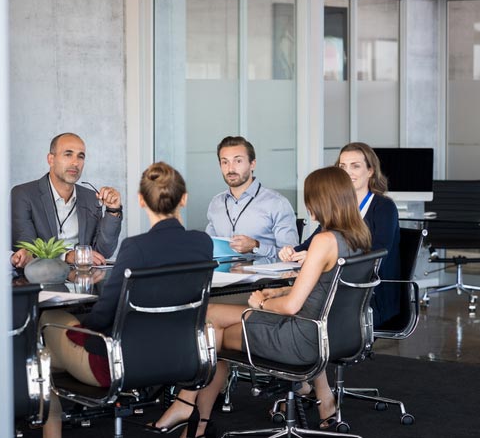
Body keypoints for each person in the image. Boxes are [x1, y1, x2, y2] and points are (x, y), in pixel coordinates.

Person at [153, 166, 372, 437]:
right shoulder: (359, 237)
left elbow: (292, 307)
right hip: (331, 335)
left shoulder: (324, 240)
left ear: (324, 199)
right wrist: (277, 293)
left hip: (299, 338)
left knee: (210, 330)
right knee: (209, 321)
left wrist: (262, 303)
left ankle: (190, 413)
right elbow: (323, 290)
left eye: (310, 198)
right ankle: (192, 416)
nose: (307, 206)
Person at [40, 161, 213, 438]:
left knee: (48, 329)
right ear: (184, 199)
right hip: (182, 359)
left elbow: (103, 318)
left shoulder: (135, 249)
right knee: (58, 354)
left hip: (123, 365)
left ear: (141, 201)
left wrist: (80, 328)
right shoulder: (203, 243)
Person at [279, 142, 400, 327]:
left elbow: (377, 254)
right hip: (336, 291)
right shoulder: (338, 210)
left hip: (370, 294)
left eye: (355, 166)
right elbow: (309, 245)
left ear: (370, 171)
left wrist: (318, 259)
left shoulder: (384, 207)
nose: (347, 172)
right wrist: (291, 252)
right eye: (342, 166)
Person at [10, 133, 122, 268]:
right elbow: (27, 251)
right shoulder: (23, 194)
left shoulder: (91, 197)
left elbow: (104, 252)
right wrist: (67, 256)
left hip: (84, 281)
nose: (75, 163)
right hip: (40, 281)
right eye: (68, 154)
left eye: (81, 156)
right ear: (51, 159)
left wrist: (113, 211)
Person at [205, 136, 298, 260]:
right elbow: (207, 249)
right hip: (222, 276)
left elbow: (292, 256)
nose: (230, 169)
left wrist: (256, 246)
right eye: (225, 162)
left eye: (238, 161)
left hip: (264, 279)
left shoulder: (277, 203)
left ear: (252, 164)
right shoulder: (216, 203)